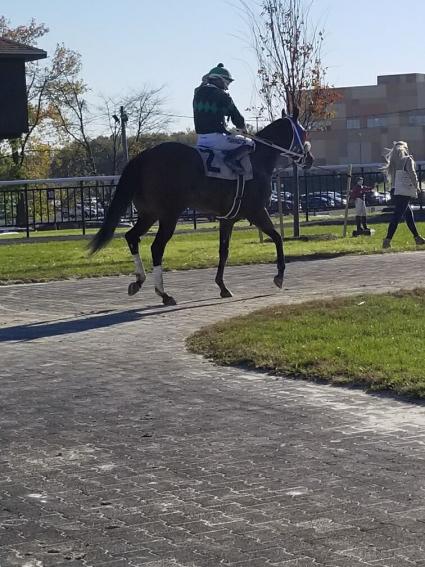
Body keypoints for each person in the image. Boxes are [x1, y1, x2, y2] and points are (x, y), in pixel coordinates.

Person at [193, 63, 254, 175]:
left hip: (200, 140)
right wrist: (243, 129)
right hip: (217, 139)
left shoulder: (197, 93)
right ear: (219, 79)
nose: (228, 84)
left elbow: (201, 87)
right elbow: (237, 118)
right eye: (227, 81)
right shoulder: (222, 95)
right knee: (250, 144)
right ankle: (231, 160)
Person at [382, 141, 425, 249]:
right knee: (397, 216)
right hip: (404, 191)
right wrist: (417, 187)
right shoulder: (407, 160)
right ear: (405, 149)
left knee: (408, 214)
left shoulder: (392, 162)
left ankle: (417, 237)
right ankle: (387, 240)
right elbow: (412, 174)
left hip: (394, 191)